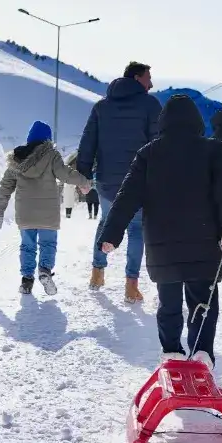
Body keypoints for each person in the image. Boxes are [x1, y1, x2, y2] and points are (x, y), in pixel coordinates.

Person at [98, 95, 222, 369]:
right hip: (204, 240)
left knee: (169, 302)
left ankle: (172, 352)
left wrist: (111, 234)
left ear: (163, 123)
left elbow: (127, 195)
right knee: (204, 299)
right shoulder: (214, 150)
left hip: (163, 243)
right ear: (197, 123)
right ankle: (201, 353)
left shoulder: (149, 154)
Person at [76, 61, 161, 303]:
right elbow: (158, 143)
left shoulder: (102, 107)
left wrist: (83, 173)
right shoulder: (150, 105)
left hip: (106, 180)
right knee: (136, 230)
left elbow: (88, 142)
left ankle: (97, 273)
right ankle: (131, 286)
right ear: (136, 78)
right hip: (139, 181)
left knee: (106, 222)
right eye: (148, 78)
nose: (151, 83)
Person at [0, 121, 91, 295]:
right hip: (48, 214)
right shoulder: (51, 155)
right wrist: (84, 182)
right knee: (48, 243)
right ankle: (44, 271)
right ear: (47, 139)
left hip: (25, 213)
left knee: (27, 246)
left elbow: (5, 188)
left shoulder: (17, 159)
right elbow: (65, 174)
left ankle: (26, 280)